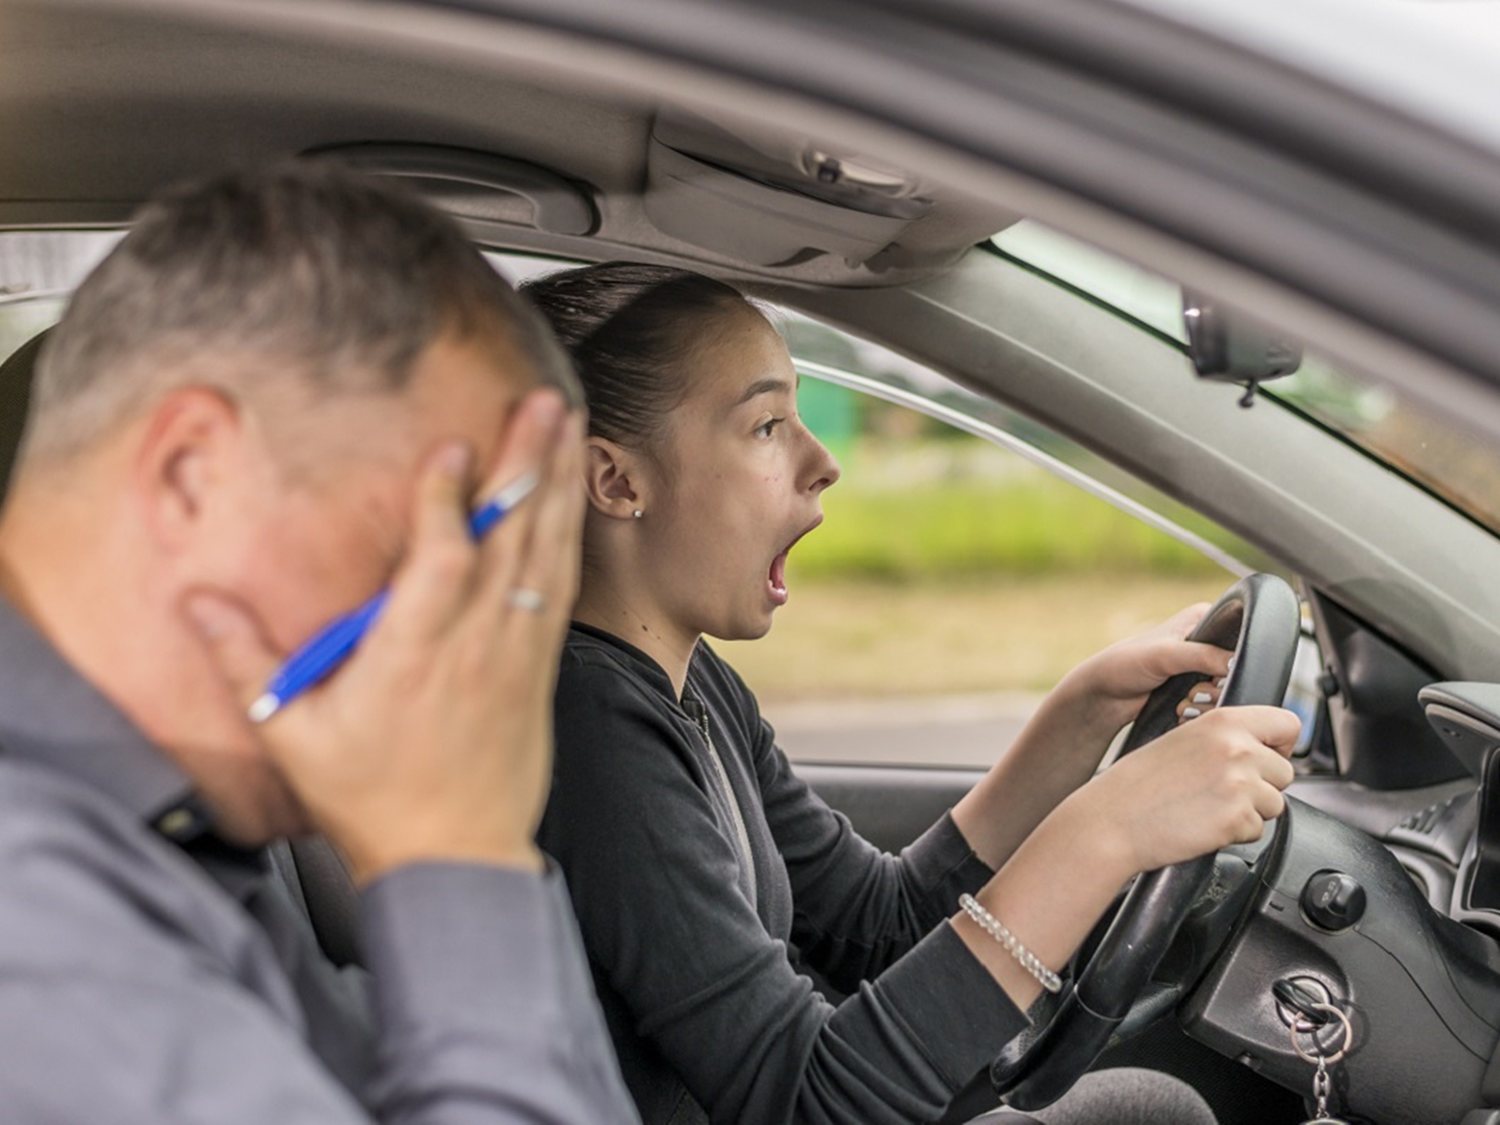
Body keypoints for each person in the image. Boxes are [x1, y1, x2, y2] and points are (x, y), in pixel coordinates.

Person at [524, 262, 1300, 1125]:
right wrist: (1108, 831)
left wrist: (1085, 711)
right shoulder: (586, 728)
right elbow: (812, 1102)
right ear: (616, 480)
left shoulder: (688, 682)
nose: (823, 462)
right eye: (769, 425)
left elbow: (875, 924)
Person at [0, 164, 639, 1122]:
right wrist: (455, 854)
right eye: (435, 553)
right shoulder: (32, 917)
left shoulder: (177, 830)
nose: (474, 640)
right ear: (192, 476)